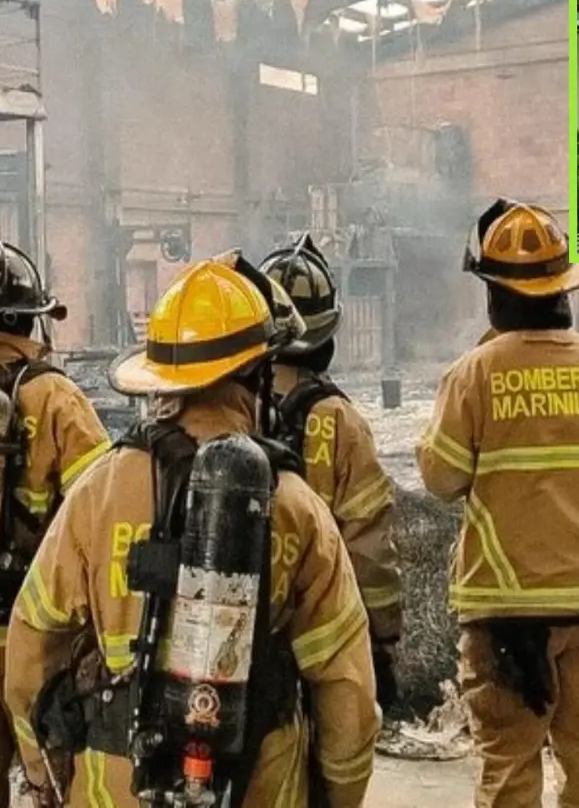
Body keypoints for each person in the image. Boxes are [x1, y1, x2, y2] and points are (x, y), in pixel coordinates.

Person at [4, 252, 380, 808]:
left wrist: (43, 772)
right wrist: (340, 794)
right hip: (259, 788)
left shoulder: (99, 491)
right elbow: (348, 689)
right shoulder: (296, 506)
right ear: (256, 375)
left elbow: (32, 643)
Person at [417, 202, 579, 808]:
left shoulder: (474, 373)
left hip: (502, 613)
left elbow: (440, 478)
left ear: (494, 294)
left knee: (509, 767)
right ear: (564, 289)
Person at [259, 233, 402, 710]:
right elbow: (367, 544)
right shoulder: (340, 422)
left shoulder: (224, 407)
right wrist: (382, 638)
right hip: (323, 639)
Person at [0, 243, 111, 808]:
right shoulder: (56, 398)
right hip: (36, 634)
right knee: (55, 783)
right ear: (27, 319)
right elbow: (104, 512)